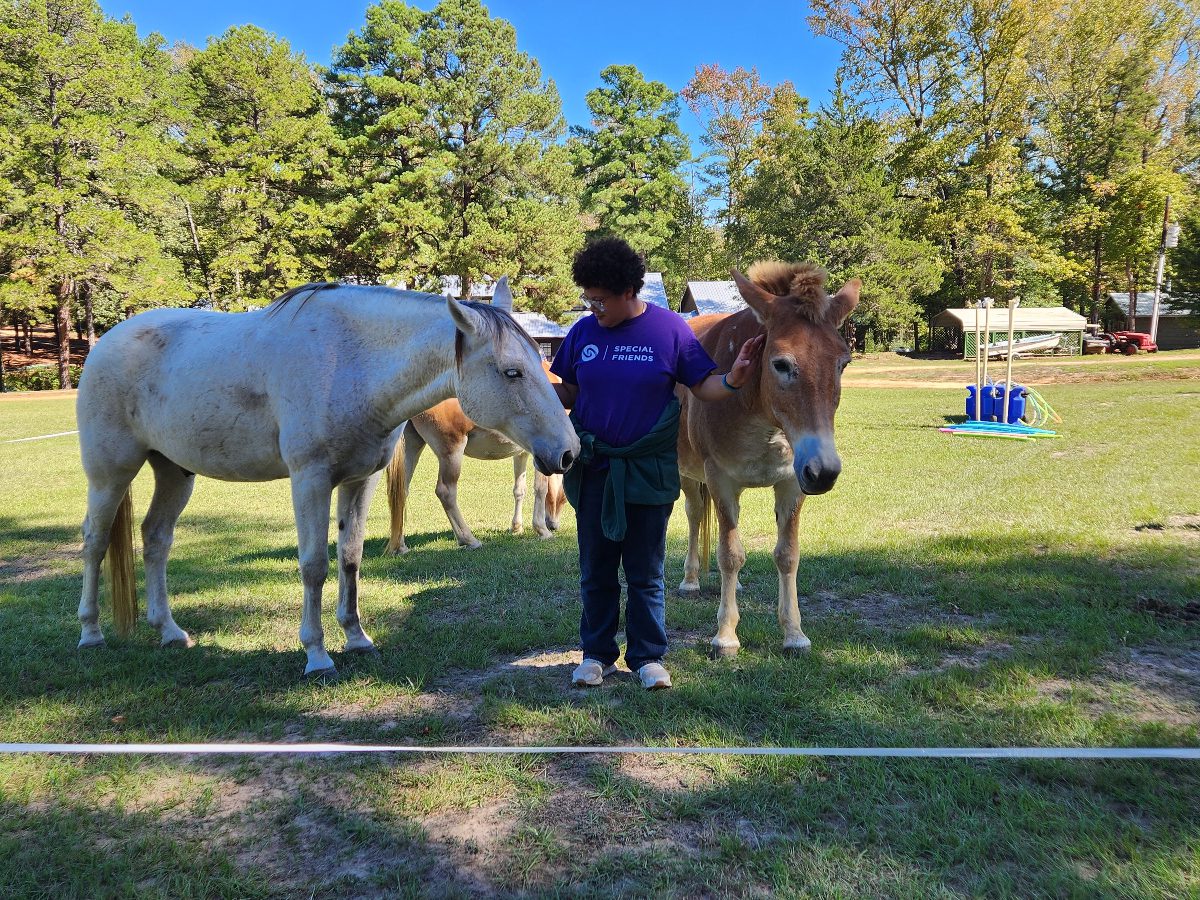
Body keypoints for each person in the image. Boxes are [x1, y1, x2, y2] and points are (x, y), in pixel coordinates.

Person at [551, 237, 763, 690]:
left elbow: (703, 385)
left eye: (601, 299)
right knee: (597, 568)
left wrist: (733, 379)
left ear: (630, 291)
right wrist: (535, 393)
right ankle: (597, 654)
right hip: (595, 468)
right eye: (588, 299)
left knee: (646, 571)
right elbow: (569, 390)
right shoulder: (583, 333)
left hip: (648, 468)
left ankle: (648, 658)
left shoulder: (669, 330)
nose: (594, 308)